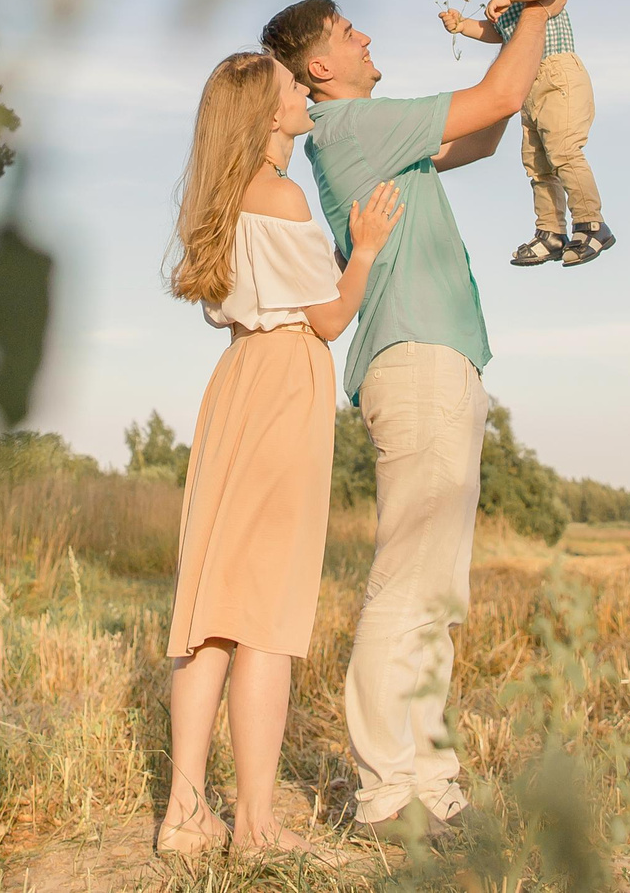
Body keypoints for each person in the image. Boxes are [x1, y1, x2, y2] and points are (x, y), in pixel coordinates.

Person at [259, 0, 559, 837]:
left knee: (437, 587)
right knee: (407, 577)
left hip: (442, 355)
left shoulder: (385, 135)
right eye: (350, 33)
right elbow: (498, 94)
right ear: (321, 66)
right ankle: (387, 791)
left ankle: (431, 781)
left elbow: (492, 128)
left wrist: (514, 32)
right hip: (417, 356)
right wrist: (538, 3)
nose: (365, 39)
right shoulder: (352, 124)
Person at [158, 51, 404, 859]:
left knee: (210, 607)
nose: (304, 92)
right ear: (268, 115)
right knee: (265, 608)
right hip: (285, 381)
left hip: (234, 381)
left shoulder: (221, 200)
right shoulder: (284, 194)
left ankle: (185, 812)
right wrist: (363, 246)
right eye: (292, 87)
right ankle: (257, 828)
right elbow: (330, 317)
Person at [438, 0, 615, 268]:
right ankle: (551, 231)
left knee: (565, 150)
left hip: (556, 72)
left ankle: (591, 223)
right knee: (536, 161)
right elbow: (500, 32)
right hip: (531, 84)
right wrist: (465, 26)